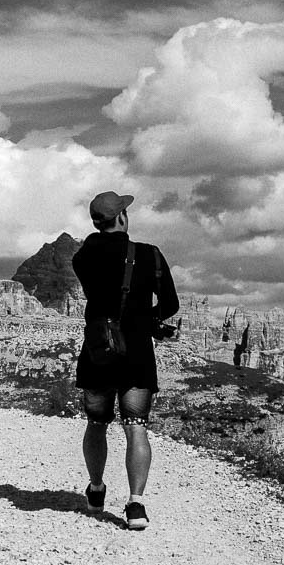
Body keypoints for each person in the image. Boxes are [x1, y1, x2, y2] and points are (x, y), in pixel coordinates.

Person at [72, 190, 178, 531]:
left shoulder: (82, 257)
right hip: (136, 352)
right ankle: (135, 505)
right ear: (122, 217)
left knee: (96, 423)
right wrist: (146, 321)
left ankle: (97, 489)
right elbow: (170, 304)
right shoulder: (149, 255)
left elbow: (94, 274)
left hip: (98, 350)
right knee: (136, 427)